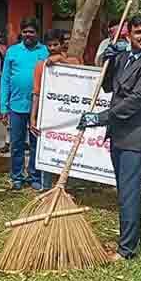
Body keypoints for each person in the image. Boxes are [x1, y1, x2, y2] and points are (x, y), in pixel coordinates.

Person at [77, 15, 141, 261]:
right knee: (124, 191)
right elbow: (107, 87)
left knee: (129, 192)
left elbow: (135, 102)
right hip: (119, 134)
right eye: (138, 32)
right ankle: (133, 237)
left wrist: (99, 118)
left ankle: (127, 250)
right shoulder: (124, 57)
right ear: (129, 34)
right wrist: (109, 60)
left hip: (136, 137)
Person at [30, 29, 83, 190]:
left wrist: (60, 60)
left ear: (62, 44)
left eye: (56, 44)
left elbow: (81, 71)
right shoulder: (41, 66)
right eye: (49, 45)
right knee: (48, 148)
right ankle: (46, 186)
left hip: (69, 115)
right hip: (48, 115)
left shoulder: (74, 61)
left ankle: (66, 186)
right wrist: (33, 117)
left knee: (68, 149)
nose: (52, 48)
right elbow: (36, 93)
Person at [0, 18, 49, 191]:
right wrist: (3, 106)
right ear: (21, 33)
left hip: (38, 107)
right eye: (25, 31)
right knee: (17, 144)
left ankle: (35, 176)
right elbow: (5, 80)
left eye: (32, 31)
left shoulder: (44, 51)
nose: (28, 34)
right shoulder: (12, 51)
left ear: (37, 33)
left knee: (36, 143)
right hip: (15, 106)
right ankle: (17, 177)